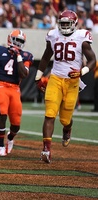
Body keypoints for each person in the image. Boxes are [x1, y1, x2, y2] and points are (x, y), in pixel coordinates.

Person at [35, 10, 96, 163]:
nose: (64, 26)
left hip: (72, 82)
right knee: (49, 113)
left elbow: (92, 59)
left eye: (67, 24)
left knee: (64, 119)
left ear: (74, 24)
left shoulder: (82, 37)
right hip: (55, 78)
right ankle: (46, 150)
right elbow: (45, 56)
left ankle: (67, 128)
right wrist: (38, 77)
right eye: (62, 23)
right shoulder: (53, 35)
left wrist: (82, 71)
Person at [0, 29, 33, 156]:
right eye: (16, 40)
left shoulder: (26, 56)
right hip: (2, 85)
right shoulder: (0, 50)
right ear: (10, 39)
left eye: (20, 41)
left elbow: (24, 74)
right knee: (2, 115)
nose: (18, 43)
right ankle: (1, 146)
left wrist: (18, 56)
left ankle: (11, 137)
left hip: (15, 89)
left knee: (16, 124)